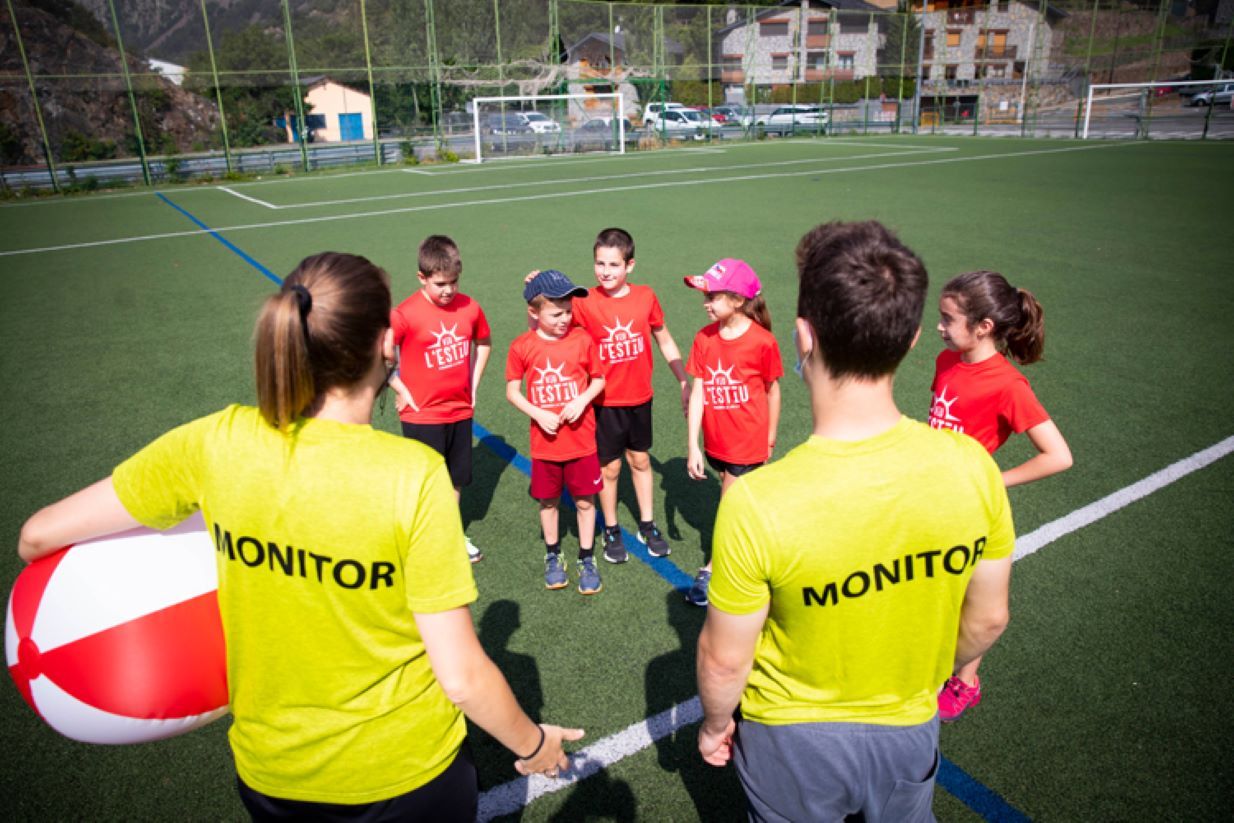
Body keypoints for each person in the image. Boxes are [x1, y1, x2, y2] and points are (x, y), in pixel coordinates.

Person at [17, 252, 581, 820]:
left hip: (272, 777)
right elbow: (460, 677)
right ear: (389, 344)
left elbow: (37, 537)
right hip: (406, 774)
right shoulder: (411, 475)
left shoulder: (215, 441)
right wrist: (535, 746)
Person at [695, 221, 1014, 822]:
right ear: (916, 337)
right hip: (909, 730)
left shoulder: (756, 501)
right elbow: (991, 616)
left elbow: (723, 660)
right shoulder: (974, 468)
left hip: (789, 745)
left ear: (802, 336)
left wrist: (716, 724)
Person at [929, 269, 1073, 722]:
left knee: (973, 602)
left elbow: (1058, 455)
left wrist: (994, 480)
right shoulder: (946, 361)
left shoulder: (1008, 385)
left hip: (970, 509)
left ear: (984, 326)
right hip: (933, 499)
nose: (939, 327)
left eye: (948, 319)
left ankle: (965, 681)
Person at [570, 227, 691, 564]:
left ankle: (647, 524)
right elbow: (552, 323)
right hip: (604, 403)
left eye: (613, 264)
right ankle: (610, 528)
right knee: (609, 469)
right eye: (600, 263)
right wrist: (535, 286)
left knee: (640, 460)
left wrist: (683, 379)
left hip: (640, 398)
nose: (605, 271)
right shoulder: (583, 301)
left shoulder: (646, 297)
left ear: (630, 266)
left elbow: (663, 339)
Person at [683, 258, 781, 606]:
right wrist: (693, 445)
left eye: (712, 296)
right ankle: (762, 553)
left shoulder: (762, 342)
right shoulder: (704, 339)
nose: (706, 303)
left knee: (728, 511)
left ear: (738, 300)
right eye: (704, 296)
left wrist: (769, 436)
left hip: (747, 442)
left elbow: (772, 390)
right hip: (716, 442)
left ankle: (714, 570)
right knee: (743, 507)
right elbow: (699, 392)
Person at [389, 235, 492, 563]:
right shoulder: (405, 314)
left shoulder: (470, 307)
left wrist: (473, 385)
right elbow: (375, 356)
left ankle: (450, 536)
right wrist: (402, 390)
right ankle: (416, 542)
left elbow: (484, 343)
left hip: (460, 411)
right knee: (423, 485)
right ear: (422, 278)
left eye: (453, 282)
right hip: (422, 415)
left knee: (455, 481)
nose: (448, 290)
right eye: (440, 284)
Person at [506, 269, 607, 595]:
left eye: (568, 311)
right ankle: (553, 555)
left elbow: (599, 379)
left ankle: (587, 558)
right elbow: (512, 391)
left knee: (585, 503)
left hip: (582, 442)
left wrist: (582, 399)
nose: (565, 318)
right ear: (534, 313)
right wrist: (537, 413)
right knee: (548, 503)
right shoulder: (522, 346)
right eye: (556, 313)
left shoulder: (582, 340)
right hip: (545, 446)